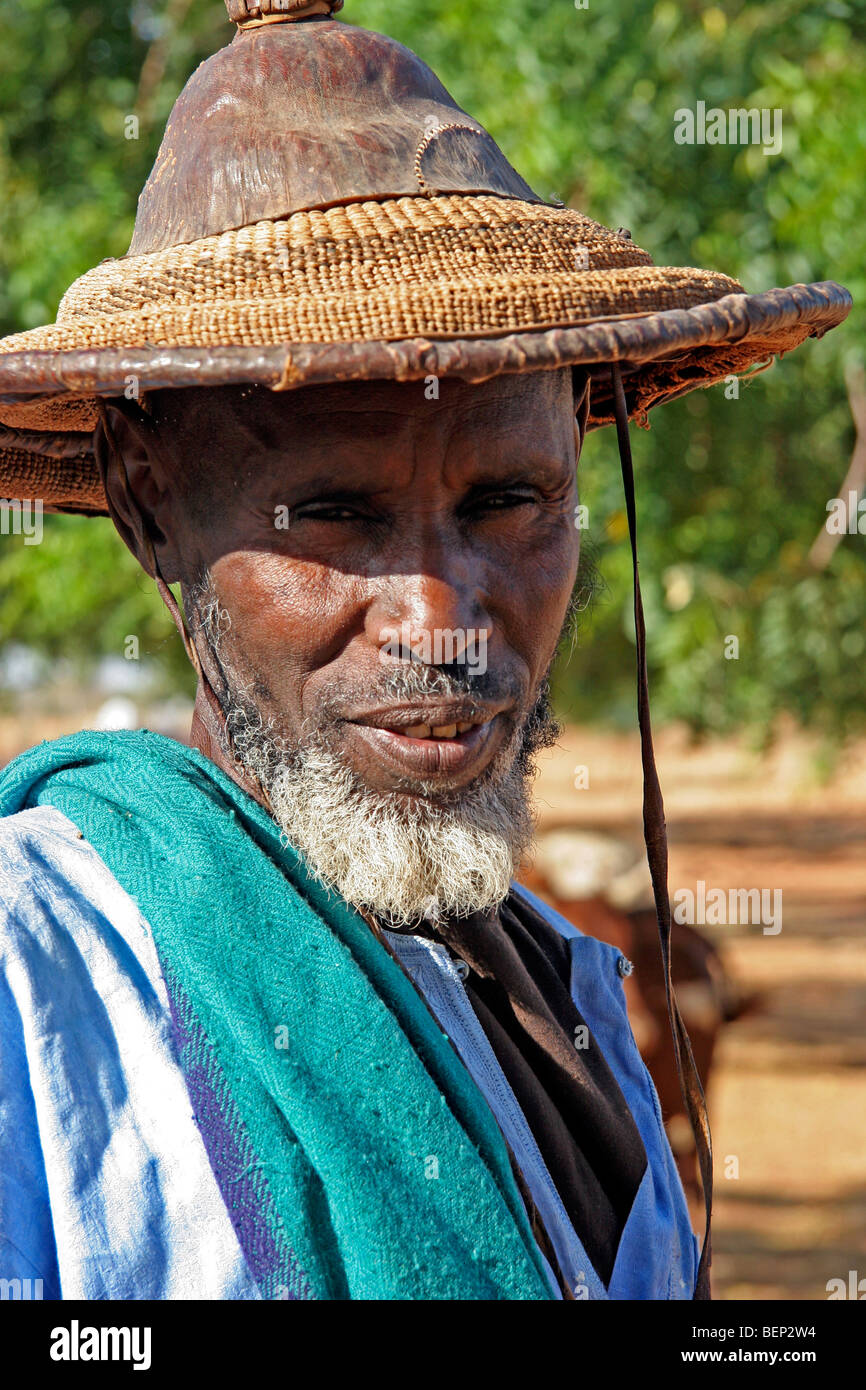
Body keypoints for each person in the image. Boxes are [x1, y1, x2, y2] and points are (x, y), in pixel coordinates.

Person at [0, 0, 850, 1301]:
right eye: (336, 514)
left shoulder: (571, 1013)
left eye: (508, 504)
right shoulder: (34, 983)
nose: (443, 623)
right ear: (146, 496)